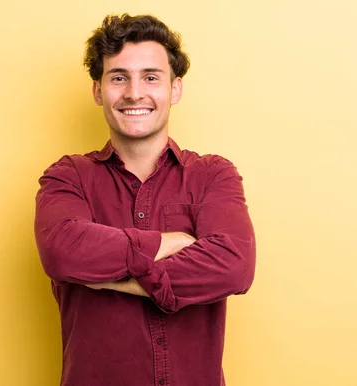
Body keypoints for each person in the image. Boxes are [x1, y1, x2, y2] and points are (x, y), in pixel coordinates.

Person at [34, 13, 256, 386]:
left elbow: (235, 266)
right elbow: (62, 252)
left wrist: (107, 278)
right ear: (97, 90)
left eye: (151, 77)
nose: (134, 92)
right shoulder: (67, 177)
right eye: (118, 77)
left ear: (175, 89)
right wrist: (170, 244)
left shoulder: (213, 176)